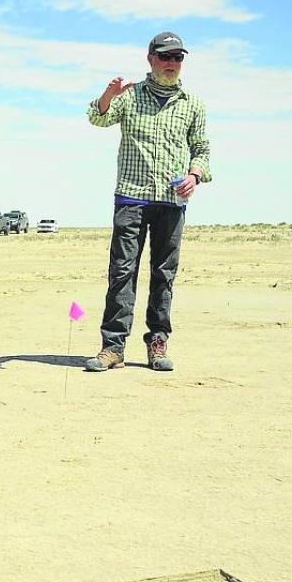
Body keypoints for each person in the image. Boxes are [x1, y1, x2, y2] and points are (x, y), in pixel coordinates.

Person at [84, 31, 211, 373]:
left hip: (172, 200)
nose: (171, 64)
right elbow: (97, 118)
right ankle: (112, 347)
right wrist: (109, 95)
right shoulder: (129, 97)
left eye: (178, 58)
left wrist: (194, 176)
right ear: (151, 58)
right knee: (122, 272)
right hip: (131, 197)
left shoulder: (192, 104)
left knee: (163, 273)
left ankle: (157, 342)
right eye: (165, 57)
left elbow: (202, 150)